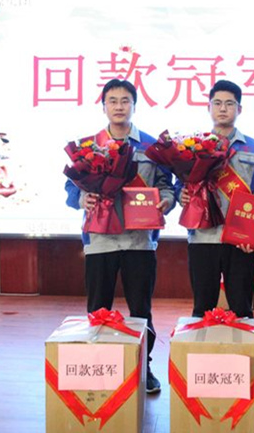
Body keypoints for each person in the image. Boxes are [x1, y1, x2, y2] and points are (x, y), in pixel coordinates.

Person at [65, 79, 175, 393]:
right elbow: (71, 189)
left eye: (125, 100)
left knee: (141, 309)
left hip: (140, 241)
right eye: (112, 101)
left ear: (134, 105)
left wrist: (166, 202)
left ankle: (145, 369)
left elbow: (166, 186)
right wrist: (81, 199)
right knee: (98, 308)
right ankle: (97, 367)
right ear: (103, 107)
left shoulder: (151, 147)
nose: (118, 106)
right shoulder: (88, 146)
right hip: (100, 241)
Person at [178, 80, 254, 318]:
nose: (223, 108)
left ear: (239, 109)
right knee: (202, 308)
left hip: (239, 240)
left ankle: (242, 344)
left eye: (229, 104)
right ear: (208, 107)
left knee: (242, 308)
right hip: (202, 237)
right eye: (217, 103)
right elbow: (181, 183)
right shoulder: (194, 145)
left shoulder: (253, 147)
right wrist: (181, 195)